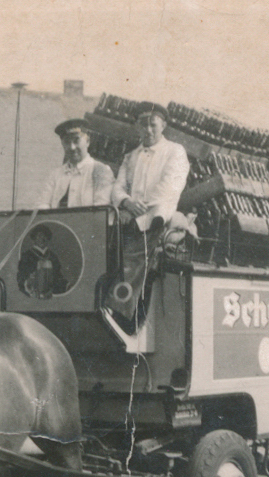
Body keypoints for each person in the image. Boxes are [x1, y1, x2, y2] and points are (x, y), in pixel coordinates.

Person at [107, 102, 193, 328]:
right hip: (129, 217)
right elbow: (118, 186)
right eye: (143, 124)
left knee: (132, 265)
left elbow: (169, 187)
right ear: (137, 126)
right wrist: (126, 202)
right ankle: (110, 309)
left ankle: (123, 317)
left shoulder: (175, 152)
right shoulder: (131, 156)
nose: (148, 130)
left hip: (156, 219)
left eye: (153, 125)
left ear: (163, 125)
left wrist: (139, 207)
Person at [37, 119, 115, 209]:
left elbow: (100, 210)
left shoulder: (100, 170)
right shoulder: (55, 175)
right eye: (67, 142)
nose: (72, 147)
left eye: (76, 141)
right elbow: (42, 204)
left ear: (87, 142)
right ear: (62, 145)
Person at [17, 224, 68, 299]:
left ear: (47, 238)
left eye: (44, 236)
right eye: (39, 236)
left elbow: (58, 277)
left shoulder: (53, 257)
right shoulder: (26, 256)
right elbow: (21, 278)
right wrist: (29, 281)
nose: (42, 239)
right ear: (34, 238)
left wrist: (67, 285)